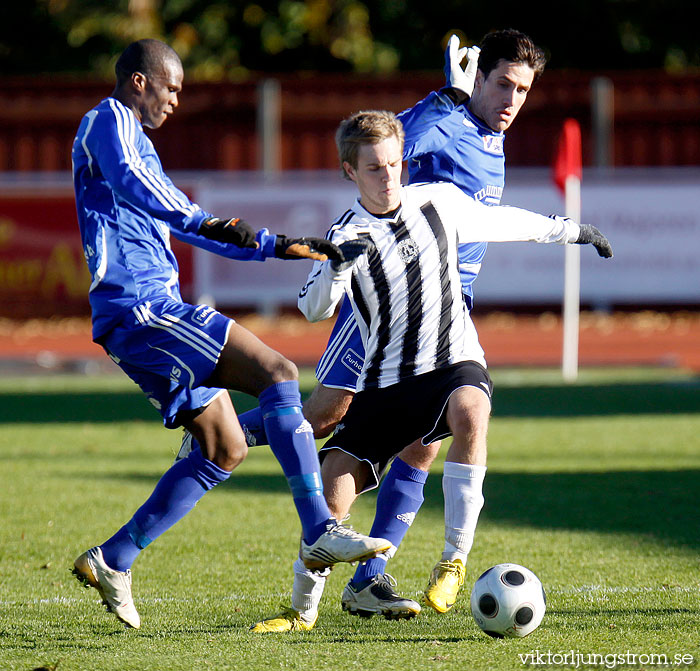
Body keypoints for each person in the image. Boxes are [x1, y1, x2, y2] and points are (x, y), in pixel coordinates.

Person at [69, 39, 391, 630]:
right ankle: (320, 528)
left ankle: (114, 558)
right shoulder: (107, 122)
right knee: (279, 373)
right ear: (139, 81)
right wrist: (217, 222)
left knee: (225, 446)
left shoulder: (136, 142)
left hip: (142, 314)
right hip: (140, 308)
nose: (175, 99)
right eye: (171, 87)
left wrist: (285, 247)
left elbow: (192, 225)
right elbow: (159, 198)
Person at [249, 110, 611, 632]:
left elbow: (501, 221)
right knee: (335, 490)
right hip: (386, 383)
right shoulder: (345, 233)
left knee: (472, 410)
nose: (389, 176)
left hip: (451, 362)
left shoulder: (437, 201)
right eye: (374, 168)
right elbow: (311, 307)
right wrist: (337, 264)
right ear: (350, 171)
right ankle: (301, 611)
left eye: (395, 163)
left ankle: (453, 560)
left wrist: (573, 231)